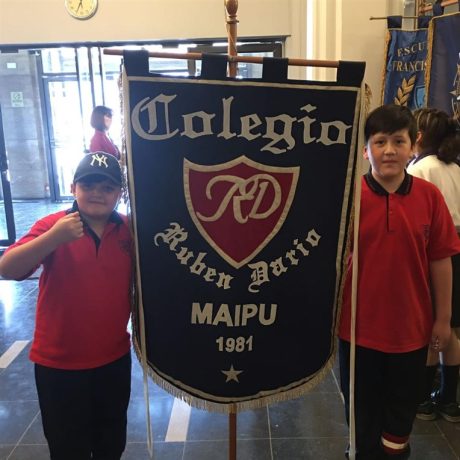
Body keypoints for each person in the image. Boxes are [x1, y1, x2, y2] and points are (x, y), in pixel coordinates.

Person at [338, 104, 460, 459]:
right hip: (357, 332)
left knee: (400, 419)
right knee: (361, 418)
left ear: (413, 145)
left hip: (411, 332)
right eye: (379, 142)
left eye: (398, 141)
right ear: (366, 150)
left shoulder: (429, 197)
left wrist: (442, 319)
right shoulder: (349, 199)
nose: (389, 150)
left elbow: (441, 261)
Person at [0, 152, 133, 460]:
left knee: (111, 443)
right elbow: (7, 267)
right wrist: (54, 238)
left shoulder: (128, 229)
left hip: (113, 359)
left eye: (107, 187)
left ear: (119, 193)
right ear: (73, 188)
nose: (97, 193)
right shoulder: (53, 225)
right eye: (88, 185)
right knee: (67, 448)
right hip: (59, 364)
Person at [406, 107, 460, 423]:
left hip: (434, 254)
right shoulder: (455, 168)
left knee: (430, 328)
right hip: (458, 254)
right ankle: (449, 400)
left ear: (418, 136)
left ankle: (422, 399)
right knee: (450, 327)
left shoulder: (419, 169)